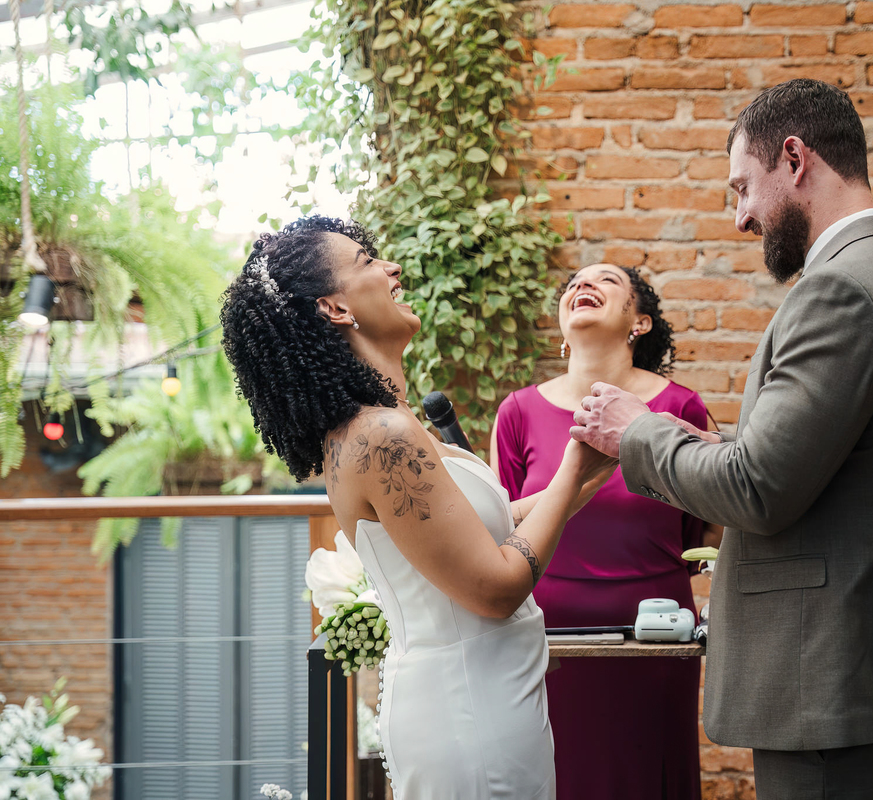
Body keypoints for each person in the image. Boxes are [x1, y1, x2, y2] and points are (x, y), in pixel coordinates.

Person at [569, 79, 873, 799]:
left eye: (742, 188)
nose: (741, 219)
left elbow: (757, 488)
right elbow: (829, 473)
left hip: (832, 688)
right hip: (864, 684)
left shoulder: (842, 292)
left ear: (794, 158)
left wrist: (640, 432)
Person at [220, 216, 616, 799]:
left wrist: (599, 469)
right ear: (335, 309)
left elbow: (498, 527)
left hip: (493, 700)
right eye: (365, 261)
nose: (392, 268)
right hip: (468, 716)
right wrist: (574, 466)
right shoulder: (380, 436)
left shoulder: (387, 424)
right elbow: (497, 586)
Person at [490, 262, 719, 800]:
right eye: (573, 284)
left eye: (606, 281)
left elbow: (700, 533)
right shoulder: (517, 412)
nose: (582, 287)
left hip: (656, 642)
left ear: (638, 322)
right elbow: (499, 528)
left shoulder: (679, 407)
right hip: (544, 645)